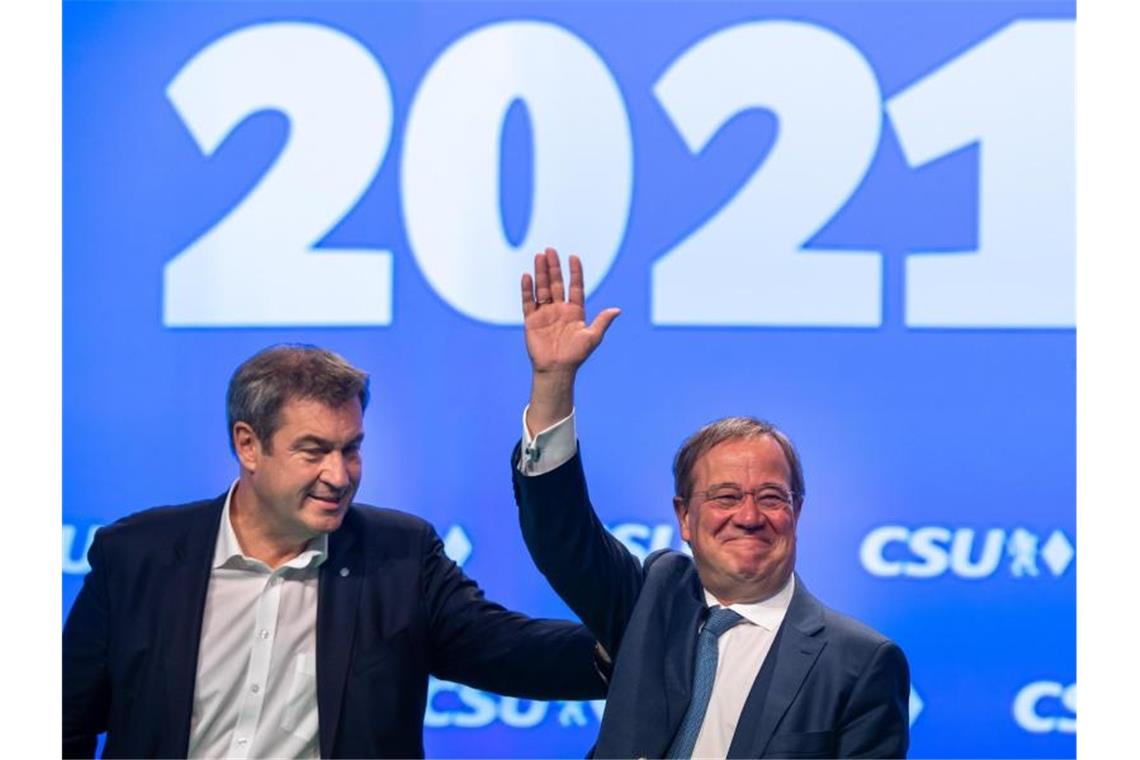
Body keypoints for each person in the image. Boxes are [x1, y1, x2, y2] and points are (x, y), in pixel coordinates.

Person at [63, 344, 606, 759]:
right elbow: (64, 720)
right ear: (248, 445)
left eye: (351, 450)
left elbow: (511, 651)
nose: (339, 475)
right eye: (314, 452)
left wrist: (641, 642)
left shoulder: (399, 556)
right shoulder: (136, 556)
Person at [512, 248, 910, 758]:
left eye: (771, 497)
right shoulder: (652, 601)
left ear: (797, 512)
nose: (748, 516)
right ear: (684, 516)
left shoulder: (858, 662)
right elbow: (560, 536)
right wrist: (553, 384)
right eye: (725, 497)